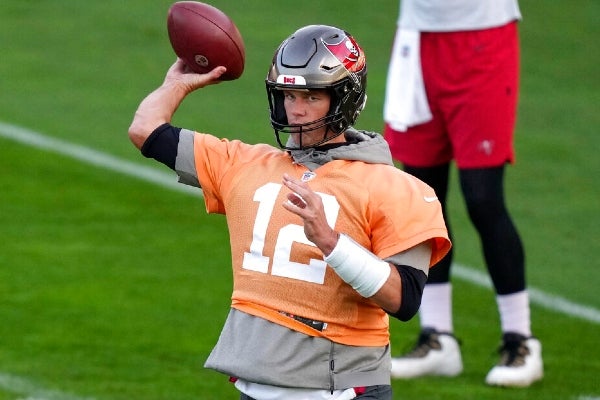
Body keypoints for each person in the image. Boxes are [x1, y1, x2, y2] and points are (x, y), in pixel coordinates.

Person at [128, 24, 451, 400]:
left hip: (342, 390)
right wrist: (177, 84)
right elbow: (146, 129)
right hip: (256, 388)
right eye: (288, 95)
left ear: (343, 99)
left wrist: (332, 243)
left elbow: (405, 300)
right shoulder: (246, 164)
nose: (295, 111)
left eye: (311, 97)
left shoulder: (397, 188)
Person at [382, 0, 543, 388]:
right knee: (423, 197)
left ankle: (521, 339)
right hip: (418, 41)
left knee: (483, 198)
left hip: (483, 39)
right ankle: (437, 337)